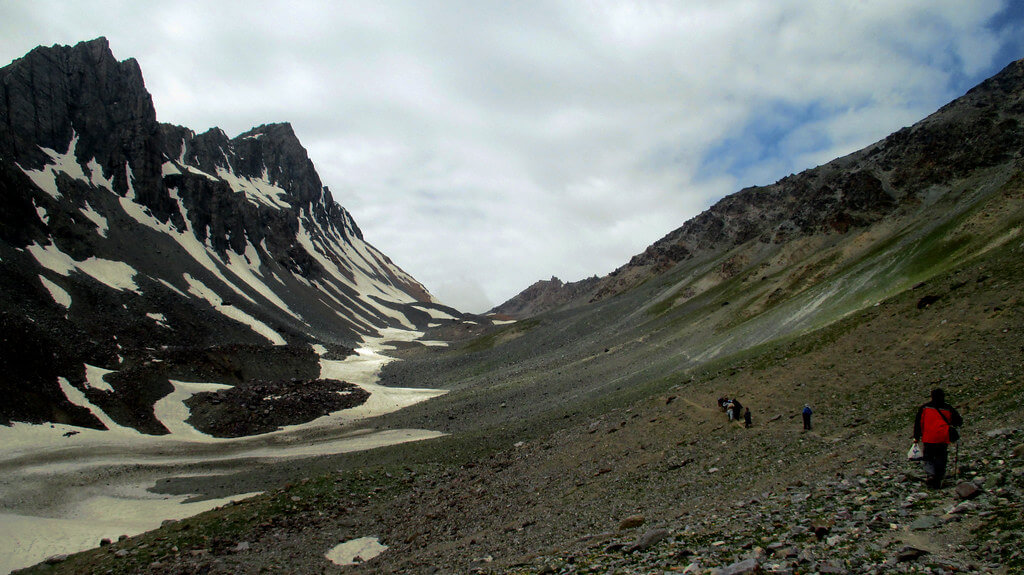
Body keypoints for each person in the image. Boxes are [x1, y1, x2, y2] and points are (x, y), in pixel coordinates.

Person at [913, 388, 963, 488]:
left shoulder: (925, 408)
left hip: (928, 437)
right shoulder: (948, 408)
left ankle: (931, 475)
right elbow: (958, 421)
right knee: (941, 457)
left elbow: (918, 423)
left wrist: (916, 437)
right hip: (942, 437)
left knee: (928, 457)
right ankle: (939, 477)